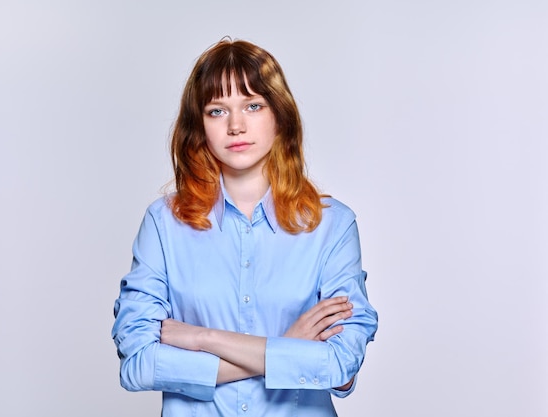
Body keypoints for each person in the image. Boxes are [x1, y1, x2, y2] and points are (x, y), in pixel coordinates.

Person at [112, 38, 378, 416]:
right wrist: (287, 347)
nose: (236, 125)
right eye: (217, 110)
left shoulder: (331, 225)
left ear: (279, 116)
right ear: (198, 124)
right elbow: (138, 365)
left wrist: (202, 338)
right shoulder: (163, 223)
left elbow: (339, 367)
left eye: (253, 105)